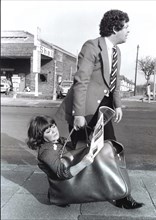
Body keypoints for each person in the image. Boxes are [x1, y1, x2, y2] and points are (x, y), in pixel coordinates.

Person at [55, 9, 144, 209]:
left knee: (110, 149)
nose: (129, 31)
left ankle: (121, 195)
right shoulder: (91, 47)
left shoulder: (117, 51)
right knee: (73, 153)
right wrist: (78, 114)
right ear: (115, 28)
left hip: (104, 109)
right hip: (84, 108)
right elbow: (81, 81)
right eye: (126, 27)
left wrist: (118, 104)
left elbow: (115, 82)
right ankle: (62, 191)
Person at [27, 115, 94, 207]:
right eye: (48, 131)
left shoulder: (58, 140)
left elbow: (72, 149)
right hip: (65, 186)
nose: (54, 131)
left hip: (69, 181)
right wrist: (83, 163)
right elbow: (63, 173)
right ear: (40, 137)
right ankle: (58, 197)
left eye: (54, 126)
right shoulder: (46, 152)